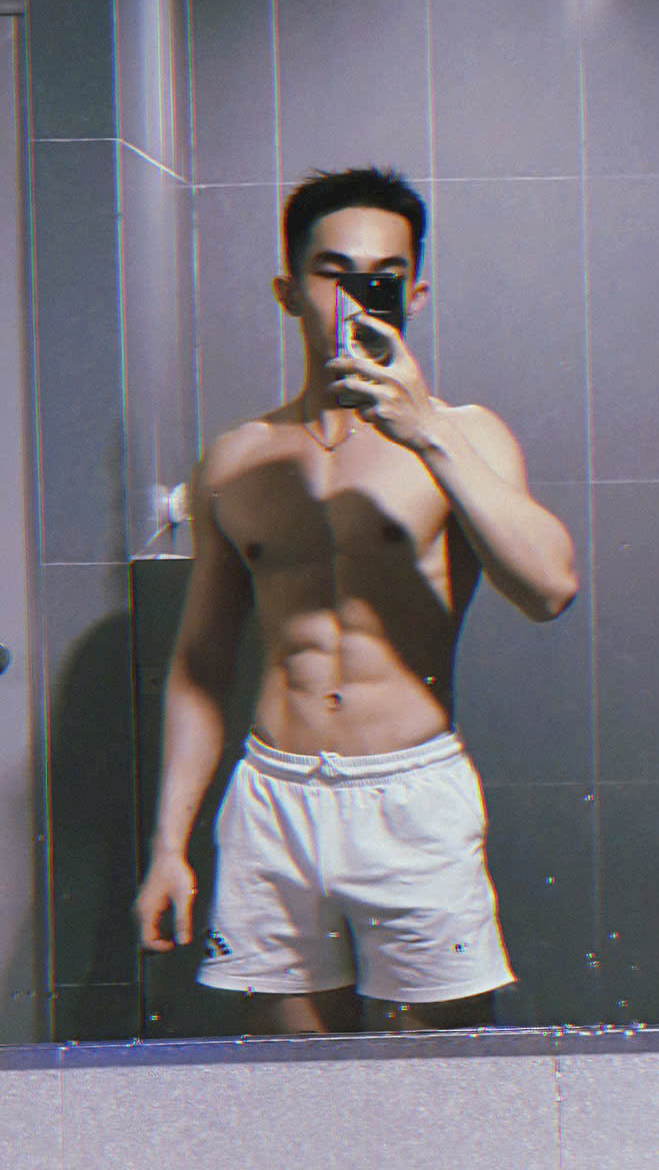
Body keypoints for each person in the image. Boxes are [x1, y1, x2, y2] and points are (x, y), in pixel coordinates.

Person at [135, 165, 579, 1035]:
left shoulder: (465, 434)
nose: (354, 298)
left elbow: (550, 589)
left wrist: (426, 432)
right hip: (274, 798)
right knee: (300, 1083)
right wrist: (168, 846)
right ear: (288, 291)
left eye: (383, 277)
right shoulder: (237, 459)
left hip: (409, 796)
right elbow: (200, 665)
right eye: (333, 273)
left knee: (437, 1082)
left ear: (414, 292)